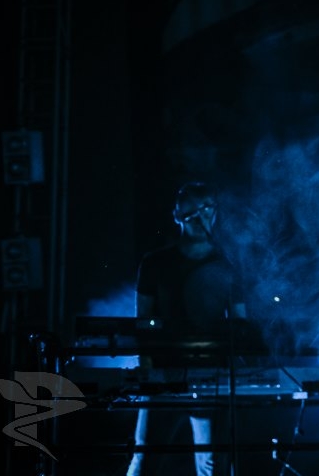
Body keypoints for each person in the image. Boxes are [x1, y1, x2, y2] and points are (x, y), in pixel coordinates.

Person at [127, 181, 247, 476]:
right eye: (191, 210)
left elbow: (240, 322)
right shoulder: (155, 263)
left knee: (212, 463)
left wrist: (238, 364)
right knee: (146, 456)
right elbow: (143, 321)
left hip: (211, 372)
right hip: (164, 372)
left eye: (206, 208)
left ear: (215, 213)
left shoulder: (228, 264)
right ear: (177, 215)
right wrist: (147, 367)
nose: (199, 216)